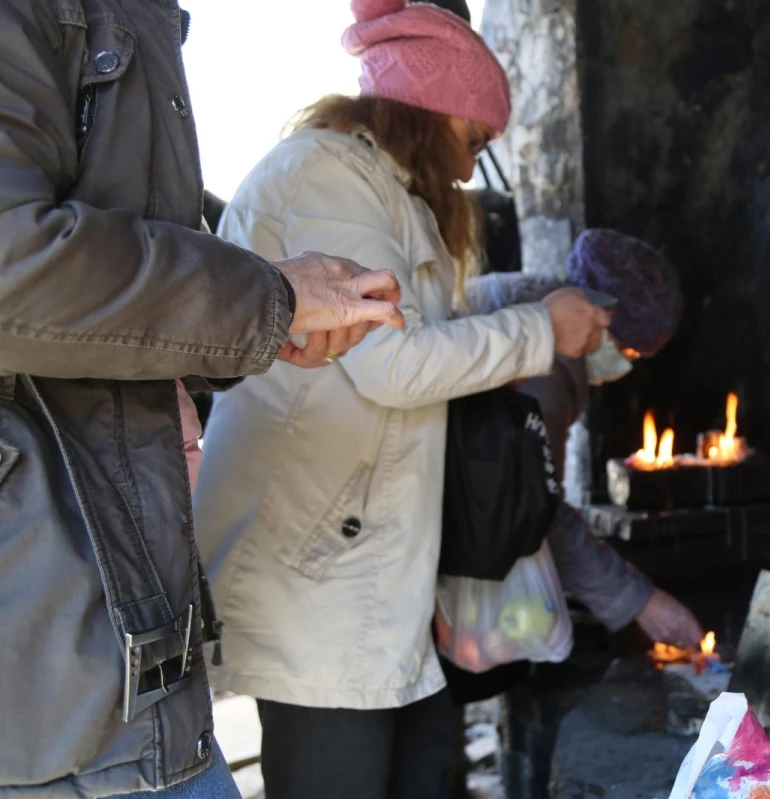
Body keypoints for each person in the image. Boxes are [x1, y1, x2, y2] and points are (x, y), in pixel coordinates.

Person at [190, 2, 610, 797]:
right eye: (475, 141)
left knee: (426, 774)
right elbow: (391, 364)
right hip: (316, 579)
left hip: (377, 580)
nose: (466, 171)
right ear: (431, 106)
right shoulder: (325, 177)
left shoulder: (391, 195)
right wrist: (541, 329)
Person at [0, 1, 406, 796]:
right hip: (51, 691)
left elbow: (90, 321)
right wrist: (263, 300)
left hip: (130, 676)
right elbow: (15, 270)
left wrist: (251, 325)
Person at [467, 230, 703, 649]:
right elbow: (537, 505)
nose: (624, 367)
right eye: (630, 354)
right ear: (604, 321)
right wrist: (642, 602)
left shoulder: (529, 297)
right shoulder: (547, 367)